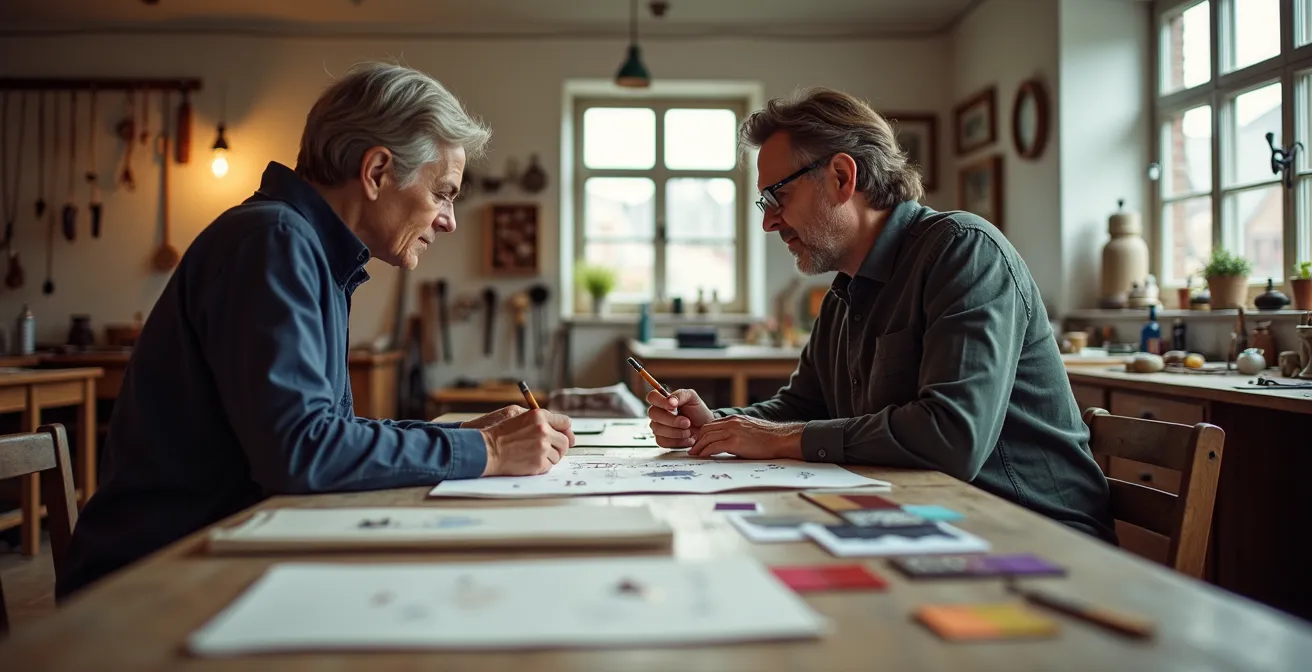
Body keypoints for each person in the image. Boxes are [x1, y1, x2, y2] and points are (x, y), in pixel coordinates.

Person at [56, 62, 575, 599]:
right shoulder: (274, 240)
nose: (449, 220)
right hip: (154, 580)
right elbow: (303, 453)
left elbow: (323, 435)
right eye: (444, 192)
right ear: (376, 172)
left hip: (226, 550)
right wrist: (487, 450)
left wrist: (466, 438)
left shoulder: (304, 247)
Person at [644, 88, 1114, 541]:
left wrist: (780, 438)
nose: (768, 222)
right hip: (929, 515)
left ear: (842, 178)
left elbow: (953, 436)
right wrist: (716, 425)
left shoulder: (965, 251)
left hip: (1031, 531)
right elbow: (800, 411)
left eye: (776, 198)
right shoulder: (845, 291)